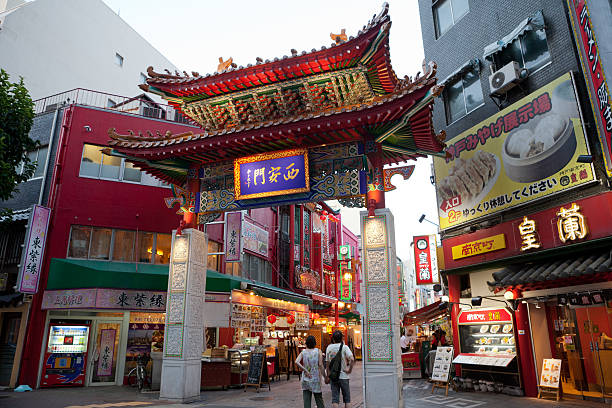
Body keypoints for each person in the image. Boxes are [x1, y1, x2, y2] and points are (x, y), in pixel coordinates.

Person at [325, 330, 354, 408]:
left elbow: (327, 365)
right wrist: (349, 370)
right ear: (342, 339)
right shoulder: (345, 347)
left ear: (333, 339)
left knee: (335, 400)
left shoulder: (329, 348)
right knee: (347, 400)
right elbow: (352, 359)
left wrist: (327, 376)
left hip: (333, 377)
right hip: (344, 376)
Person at [295, 335, 326, 408]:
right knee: (319, 399)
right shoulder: (318, 351)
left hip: (305, 379)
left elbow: (296, 362)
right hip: (316, 379)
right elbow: (321, 365)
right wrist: (325, 376)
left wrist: (305, 370)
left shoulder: (303, 352)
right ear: (315, 343)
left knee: (306, 400)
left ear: (306, 343)